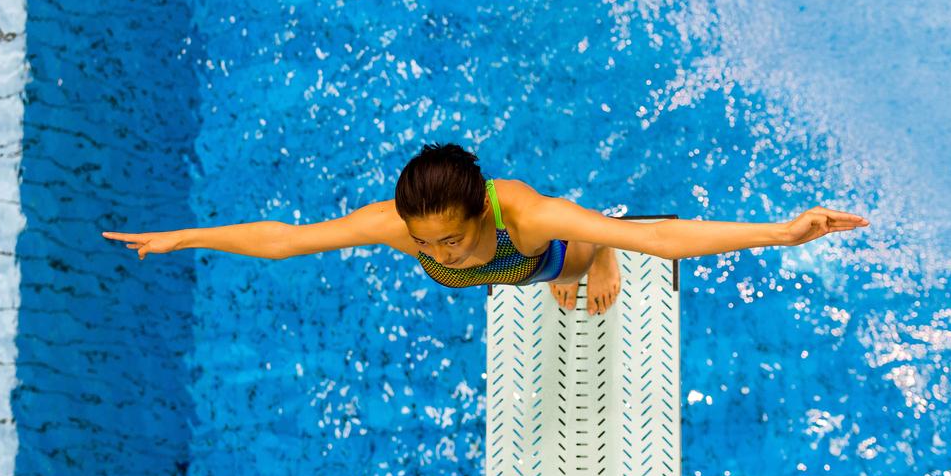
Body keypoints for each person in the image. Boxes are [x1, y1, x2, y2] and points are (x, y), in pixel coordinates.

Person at [101, 143, 869, 316]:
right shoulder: (398, 228)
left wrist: (780, 232)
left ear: (482, 213)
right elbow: (287, 239)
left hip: (545, 254)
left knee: (586, 254)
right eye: (425, 243)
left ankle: (586, 263)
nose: (435, 253)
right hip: (507, 274)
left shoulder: (523, 216)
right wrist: (184, 238)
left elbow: (661, 240)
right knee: (534, 279)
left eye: (451, 240)